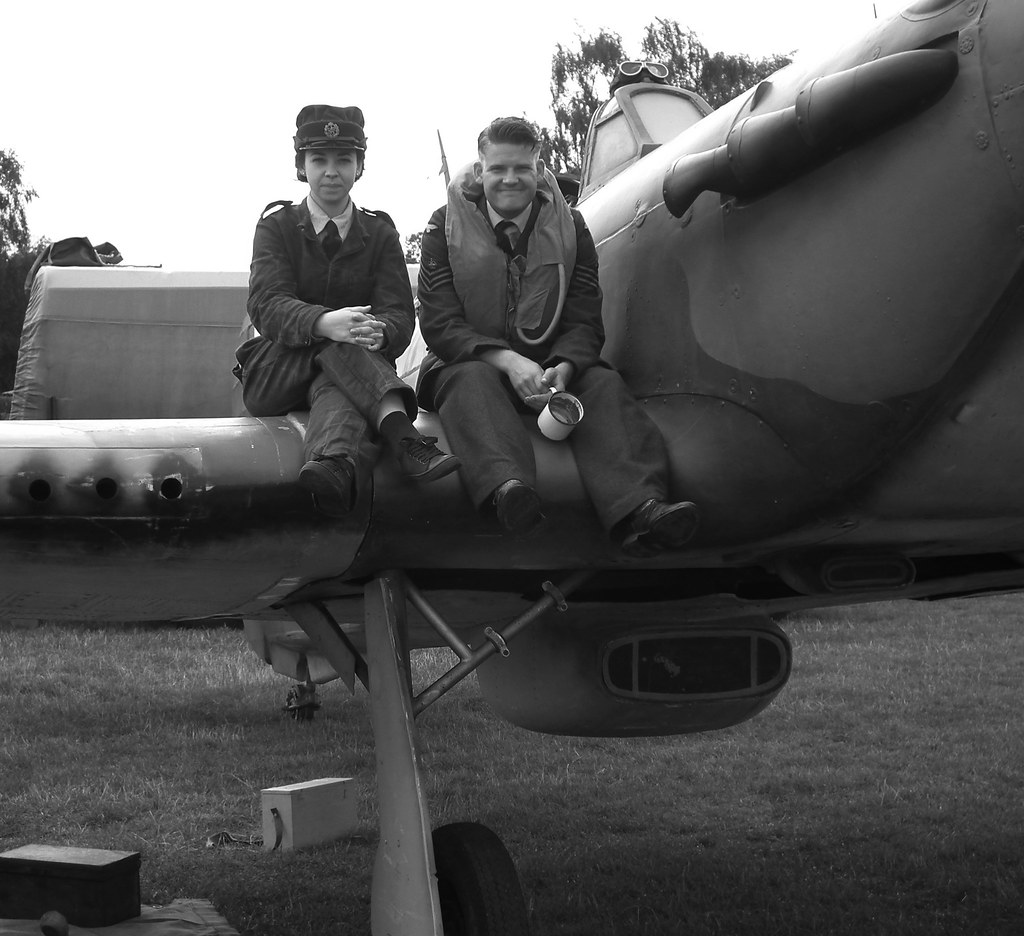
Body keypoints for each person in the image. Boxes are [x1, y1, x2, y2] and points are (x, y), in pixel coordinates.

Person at [416, 116, 699, 554]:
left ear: (539, 167)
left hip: (550, 364)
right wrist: (508, 362)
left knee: (602, 383)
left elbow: (585, 316)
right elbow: (439, 322)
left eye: (522, 169)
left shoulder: (573, 228)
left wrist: (564, 367)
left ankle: (641, 508)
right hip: (468, 362)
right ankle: (508, 491)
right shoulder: (442, 227)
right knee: (470, 381)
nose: (510, 179)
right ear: (480, 169)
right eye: (498, 169)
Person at [234, 104, 459, 516]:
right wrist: (324, 322)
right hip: (274, 371)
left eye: (344, 159)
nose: (331, 171)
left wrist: (382, 332)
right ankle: (402, 436)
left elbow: (398, 312)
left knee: (338, 370)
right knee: (335, 346)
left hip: (349, 371)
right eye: (319, 159)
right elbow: (266, 304)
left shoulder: (380, 232)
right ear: (301, 165)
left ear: (359, 166)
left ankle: (334, 466)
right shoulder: (276, 227)